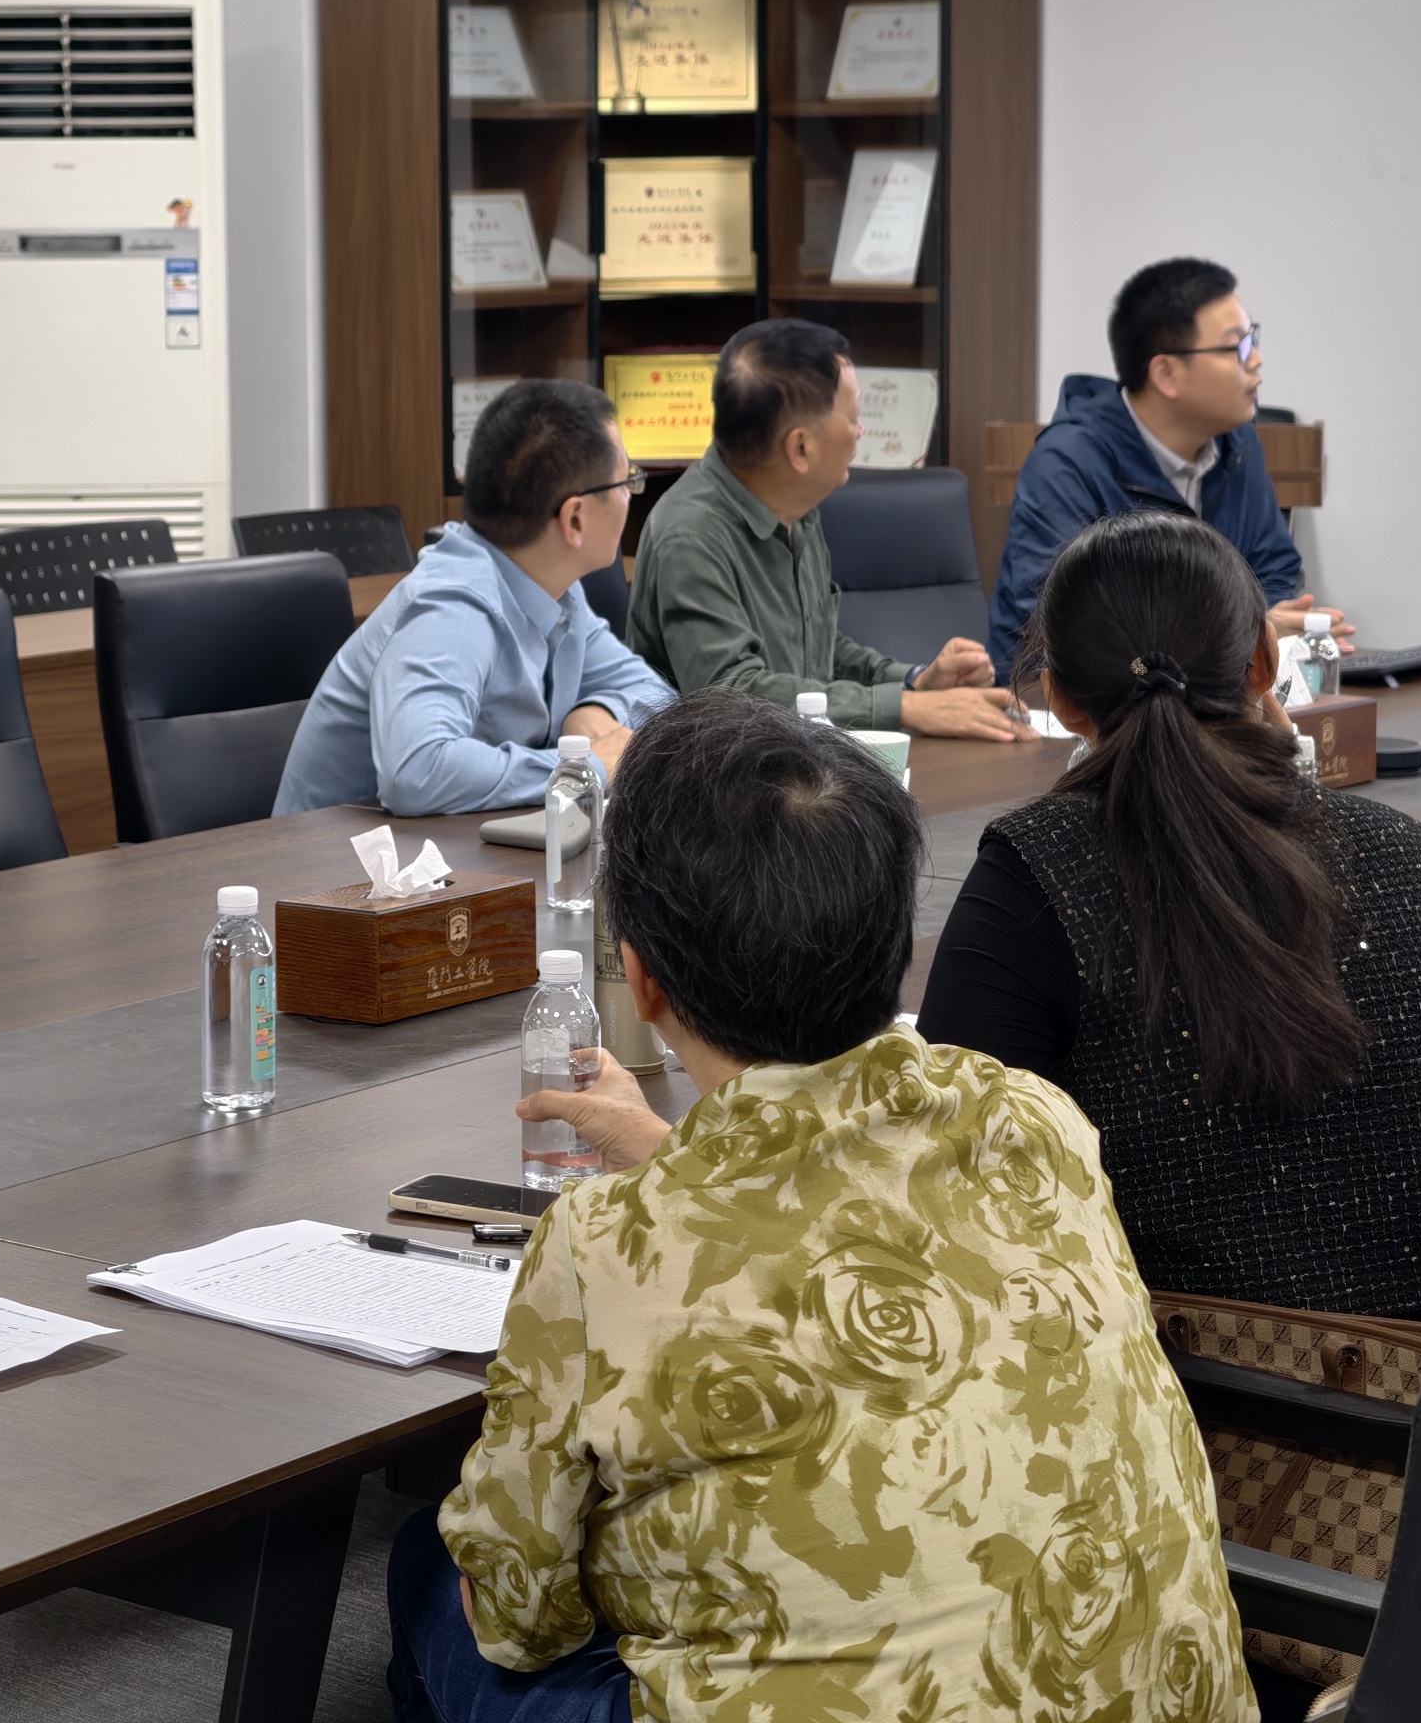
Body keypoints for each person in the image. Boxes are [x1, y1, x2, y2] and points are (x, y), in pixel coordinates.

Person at [415, 690, 1249, 1723]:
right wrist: (679, 1160)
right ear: (896, 944)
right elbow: (848, 1213)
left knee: (431, 1578)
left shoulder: (600, 1244)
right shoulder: (1035, 1120)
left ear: (640, 979)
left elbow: (518, 1617)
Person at [923, 515, 1421, 1317]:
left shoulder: (1037, 870)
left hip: (1189, 1378)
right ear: (1265, 662)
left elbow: (951, 1161)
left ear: (1059, 698)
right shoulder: (1408, 853)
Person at [277, 379, 673, 816]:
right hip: (332, 857)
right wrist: (585, 765)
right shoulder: (453, 607)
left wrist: (594, 709)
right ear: (575, 518)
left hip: (449, 847)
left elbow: (656, 695)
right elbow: (416, 771)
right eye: (627, 481)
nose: (629, 495)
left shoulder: (554, 589)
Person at [622, 317, 1026, 740]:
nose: (861, 430)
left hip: (799, 755)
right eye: (852, 416)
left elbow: (819, 651)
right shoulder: (690, 537)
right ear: (800, 448)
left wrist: (913, 681)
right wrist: (908, 708)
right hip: (719, 770)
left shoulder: (794, 505)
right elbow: (734, 696)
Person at [991, 256, 1345, 664]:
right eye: (1237, 347)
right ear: (1165, 374)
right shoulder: (1067, 464)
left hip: (1209, 687)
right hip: (1071, 696)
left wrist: (1275, 629)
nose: (1256, 360)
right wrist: (1246, 634)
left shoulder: (1238, 445)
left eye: (1253, 339)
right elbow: (1061, 626)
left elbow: (1275, 572)